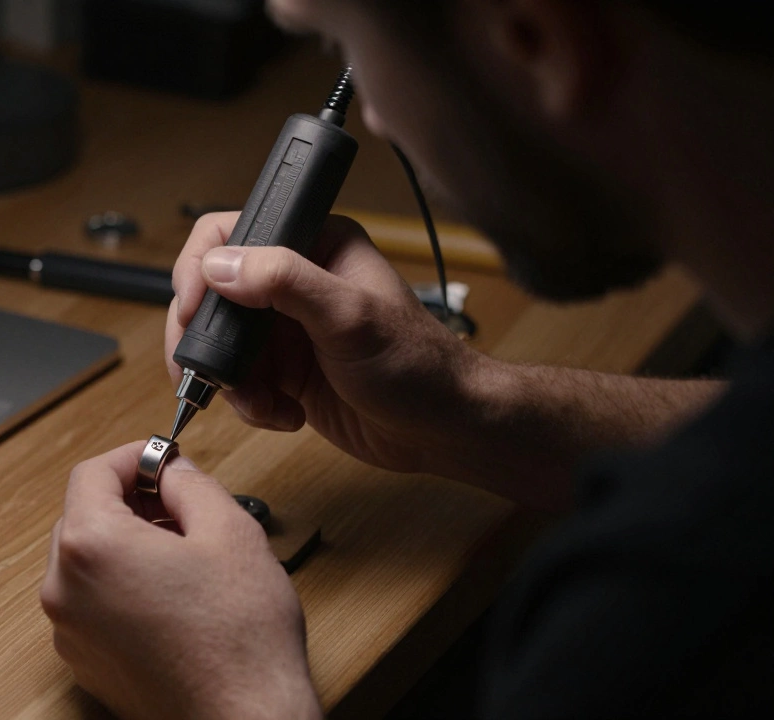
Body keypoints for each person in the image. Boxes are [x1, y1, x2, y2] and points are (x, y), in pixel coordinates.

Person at [39, 0, 774, 717]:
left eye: (349, 49)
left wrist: (224, 690)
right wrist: (466, 403)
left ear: (532, 36)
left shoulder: (653, 621)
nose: (379, 118)